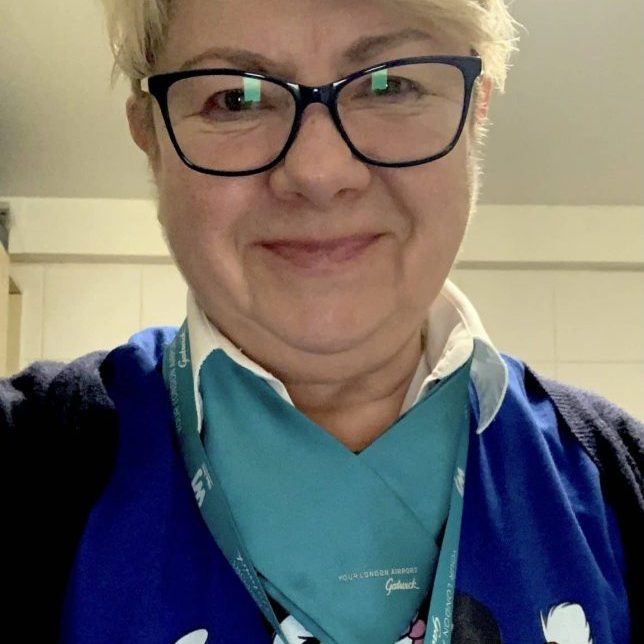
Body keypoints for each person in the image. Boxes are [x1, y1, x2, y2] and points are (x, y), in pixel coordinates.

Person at [1, 0, 642, 642]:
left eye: (390, 85)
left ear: (477, 109)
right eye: (236, 99)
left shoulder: (623, 480)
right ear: (150, 136)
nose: (318, 172)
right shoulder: (26, 459)